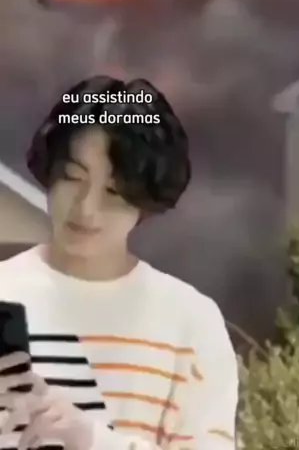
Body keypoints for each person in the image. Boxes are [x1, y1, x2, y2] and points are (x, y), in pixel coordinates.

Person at [0, 76, 238, 450]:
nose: (86, 208)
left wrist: (91, 439)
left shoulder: (190, 322)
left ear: (146, 200)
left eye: (113, 192)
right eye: (72, 177)